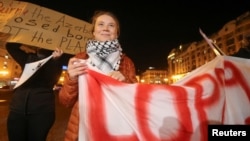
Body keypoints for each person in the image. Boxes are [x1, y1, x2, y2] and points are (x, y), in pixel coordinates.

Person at [59, 10, 138, 140]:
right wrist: (72, 79)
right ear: (94, 32)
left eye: (111, 25)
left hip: (116, 128)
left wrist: (125, 83)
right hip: (83, 128)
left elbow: (135, 100)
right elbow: (65, 101)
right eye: (100, 24)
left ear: (116, 33)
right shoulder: (80, 58)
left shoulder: (127, 62)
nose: (106, 28)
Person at [6, 43, 71, 141]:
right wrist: (28, 38)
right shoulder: (28, 59)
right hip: (17, 110)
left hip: (42, 112)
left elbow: (74, 56)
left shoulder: (59, 59)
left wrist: (57, 58)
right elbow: (10, 46)